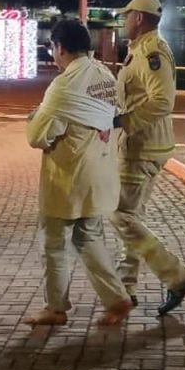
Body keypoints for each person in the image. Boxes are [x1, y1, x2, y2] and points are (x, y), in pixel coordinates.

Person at [25, 20, 133, 327]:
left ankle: (55, 308)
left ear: (59, 48)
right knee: (89, 238)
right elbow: (112, 118)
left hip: (67, 178)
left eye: (53, 48)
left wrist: (35, 117)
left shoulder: (64, 84)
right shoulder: (105, 76)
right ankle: (117, 298)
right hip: (98, 174)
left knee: (55, 243)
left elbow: (38, 136)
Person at [112, 0, 185, 316]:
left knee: (119, 214)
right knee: (131, 217)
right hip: (141, 145)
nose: (123, 21)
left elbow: (162, 101)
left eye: (126, 15)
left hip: (142, 148)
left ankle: (177, 277)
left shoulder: (152, 53)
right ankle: (126, 288)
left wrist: (124, 122)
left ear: (138, 18)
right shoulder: (139, 50)